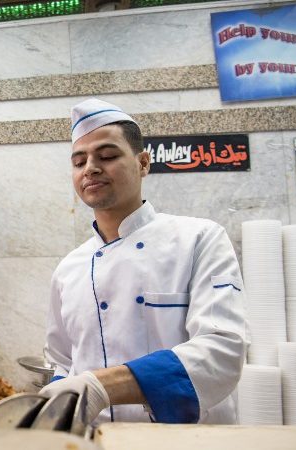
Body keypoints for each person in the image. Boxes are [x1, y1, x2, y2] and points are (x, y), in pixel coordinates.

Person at [40, 98, 247, 425]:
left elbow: (221, 351)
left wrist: (101, 386)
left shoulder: (199, 239)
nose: (91, 167)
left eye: (107, 156)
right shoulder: (69, 268)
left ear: (144, 163)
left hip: (185, 443)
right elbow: (62, 362)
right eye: (79, 162)